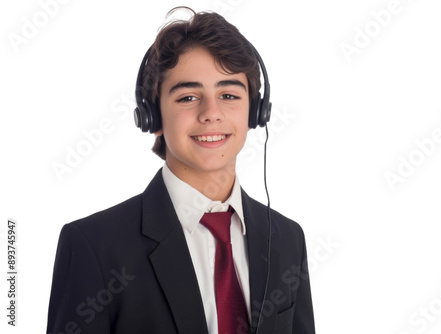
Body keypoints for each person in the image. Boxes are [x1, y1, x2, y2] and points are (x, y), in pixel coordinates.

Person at [47, 7, 315, 334]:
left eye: (229, 94)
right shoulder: (94, 246)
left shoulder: (287, 239)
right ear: (153, 118)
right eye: (188, 97)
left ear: (255, 112)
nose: (211, 113)